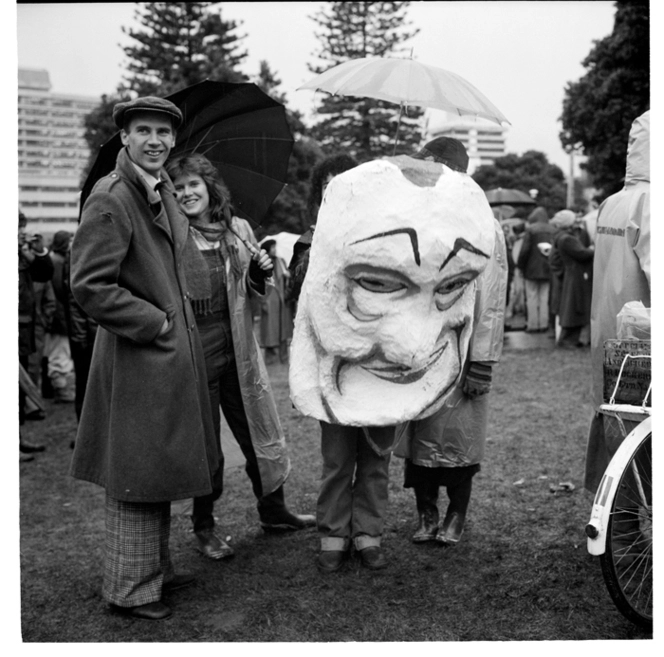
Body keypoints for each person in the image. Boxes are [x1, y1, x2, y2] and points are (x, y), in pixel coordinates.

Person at [290, 147, 497, 571]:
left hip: (386, 376)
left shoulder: (403, 238)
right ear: (319, 197)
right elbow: (299, 303)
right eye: (330, 189)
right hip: (340, 374)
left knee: (376, 460)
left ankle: (368, 532)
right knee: (337, 460)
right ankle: (333, 534)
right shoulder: (310, 242)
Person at [70, 97, 219, 621]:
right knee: (135, 475)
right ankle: (130, 590)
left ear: (174, 140)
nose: (154, 140)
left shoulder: (160, 191)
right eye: (143, 131)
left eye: (163, 131)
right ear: (126, 138)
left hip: (167, 357)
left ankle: (151, 573)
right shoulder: (111, 197)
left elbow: (178, 267)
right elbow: (89, 285)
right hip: (139, 357)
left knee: (153, 471)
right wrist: (154, 323)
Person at [165, 153, 314, 561]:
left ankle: (274, 511)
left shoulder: (238, 229)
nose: (186, 193)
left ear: (209, 186)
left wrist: (259, 270)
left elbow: (249, 293)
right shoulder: (171, 235)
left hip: (239, 347)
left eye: (192, 184)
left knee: (259, 430)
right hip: (195, 352)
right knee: (205, 445)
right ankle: (204, 527)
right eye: (176, 188)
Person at [394, 138, 508, 546]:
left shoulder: (483, 223)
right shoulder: (418, 218)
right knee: (418, 441)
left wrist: (482, 360)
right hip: (421, 351)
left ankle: (456, 515)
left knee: (459, 444)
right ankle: (426, 513)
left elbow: (492, 299)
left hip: (463, 353)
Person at [584, 110, 650, 494]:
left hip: (609, 346)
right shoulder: (652, 204)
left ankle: (621, 537)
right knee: (643, 445)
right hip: (645, 354)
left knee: (617, 431)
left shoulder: (612, 202)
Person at [287, 153, 359, 305]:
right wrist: (308, 260)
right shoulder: (308, 240)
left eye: (341, 182)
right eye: (327, 186)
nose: (333, 189)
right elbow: (293, 291)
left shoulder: (368, 232)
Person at [19, 211, 53, 458]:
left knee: (19, 387)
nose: (22, 232)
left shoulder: (21, 252)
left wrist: (39, 250)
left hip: (24, 327)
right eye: (18, 228)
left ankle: (17, 438)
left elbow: (43, 272)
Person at [550, 210, 594, 348]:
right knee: (574, 307)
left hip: (572, 274)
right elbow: (582, 254)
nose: (577, 222)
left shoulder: (561, 236)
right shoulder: (567, 239)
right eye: (574, 220)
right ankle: (568, 340)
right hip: (576, 275)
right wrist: (593, 249)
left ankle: (568, 339)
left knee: (573, 307)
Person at [44, 230, 76, 403]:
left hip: (60, 313)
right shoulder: (57, 262)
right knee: (59, 352)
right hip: (59, 314)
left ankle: (61, 388)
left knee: (60, 351)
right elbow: (60, 290)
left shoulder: (56, 260)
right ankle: (61, 390)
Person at [516, 206, 555, 332]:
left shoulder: (531, 230)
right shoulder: (553, 230)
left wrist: (521, 265)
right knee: (544, 297)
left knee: (532, 297)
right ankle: (543, 324)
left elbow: (525, 250)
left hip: (531, 269)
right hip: (548, 268)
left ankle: (533, 325)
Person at [259, 238, 292, 363]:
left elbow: (286, 276)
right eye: (272, 247)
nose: (275, 250)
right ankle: (271, 358)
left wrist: (287, 276)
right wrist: (263, 301)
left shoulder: (280, 261)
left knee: (283, 329)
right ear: (267, 250)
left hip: (281, 299)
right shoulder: (261, 263)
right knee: (270, 330)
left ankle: (283, 357)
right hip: (269, 299)